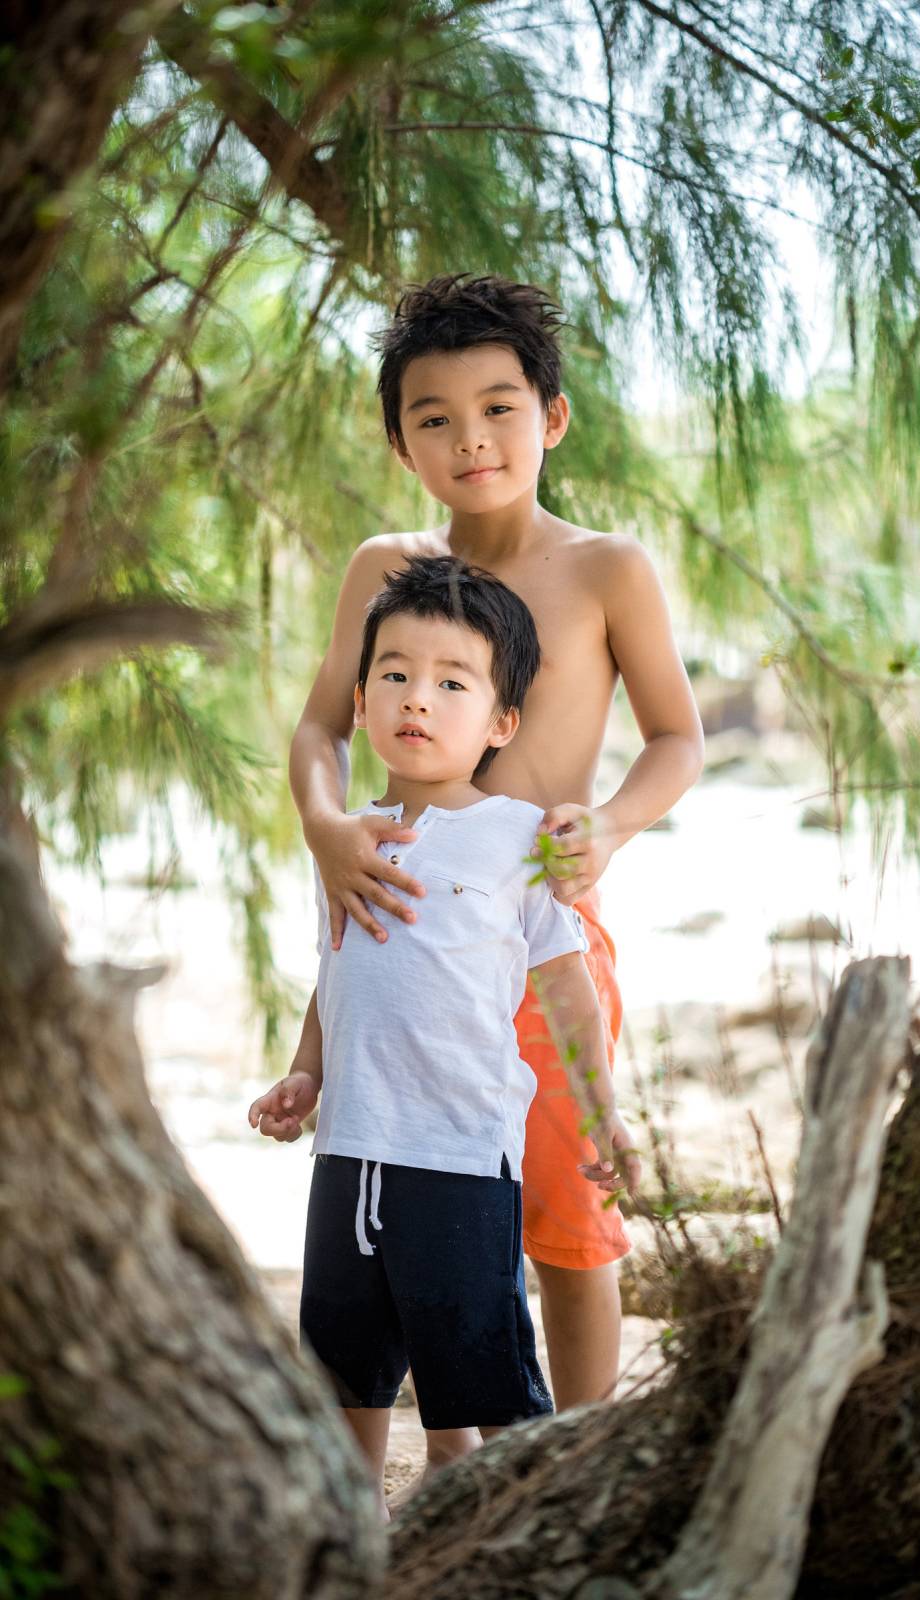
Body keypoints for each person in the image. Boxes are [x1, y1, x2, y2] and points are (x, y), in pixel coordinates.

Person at [284, 273, 704, 1472]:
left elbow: (678, 735)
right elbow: (321, 727)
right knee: (399, 1181)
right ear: (399, 438)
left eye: (500, 408)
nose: (470, 439)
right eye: (434, 417)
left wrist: (613, 825)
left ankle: (574, 1462)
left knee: (570, 1204)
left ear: (552, 418)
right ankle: (425, 1444)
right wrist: (325, 826)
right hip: (396, 913)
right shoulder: (384, 567)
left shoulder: (604, 568)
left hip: (540, 925)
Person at [249, 556, 640, 1514]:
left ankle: (525, 1525)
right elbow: (339, 966)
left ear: (501, 723)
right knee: (345, 1362)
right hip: (348, 1151)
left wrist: (603, 1113)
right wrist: (307, 1072)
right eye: (394, 674)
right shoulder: (350, 836)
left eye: (451, 682)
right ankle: (356, 1532)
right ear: (361, 694)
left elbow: (568, 990)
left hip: (460, 1157)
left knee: (482, 1361)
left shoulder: (517, 838)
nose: (416, 698)